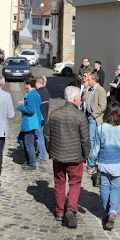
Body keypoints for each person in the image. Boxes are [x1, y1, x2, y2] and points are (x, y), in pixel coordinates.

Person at [44, 86, 90, 229]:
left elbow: (47, 136)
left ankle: (59, 212)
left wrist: (50, 150)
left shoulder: (54, 114)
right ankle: (71, 209)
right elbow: (85, 140)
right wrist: (86, 155)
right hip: (75, 157)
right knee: (75, 183)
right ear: (75, 99)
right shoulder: (80, 116)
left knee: (59, 183)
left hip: (58, 155)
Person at [88, 101, 120, 231]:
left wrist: (90, 164)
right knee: (116, 188)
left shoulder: (101, 128)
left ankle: (107, 211)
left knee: (104, 187)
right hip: (118, 164)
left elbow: (95, 149)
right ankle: (113, 211)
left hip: (104, 163)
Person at [17, 75, 43, 171]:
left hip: (30, 122)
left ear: (27, 84)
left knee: (28, 144)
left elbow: (31, 110)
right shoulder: (35, 93)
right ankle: (29, 160)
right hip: (33, 121)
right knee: (21, 140)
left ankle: (31, 164)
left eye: (24, 83)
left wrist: (20, 108)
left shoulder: (32, 94)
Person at [86, 72, 107, 173]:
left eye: (89, 79)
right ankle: (91, 159)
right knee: (91, 140)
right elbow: (84, 100)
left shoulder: (100, 90)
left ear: (94, 80)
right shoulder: (90, 90)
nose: (87, 81)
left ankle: (92, 161)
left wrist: (93, 115)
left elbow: (103, 106)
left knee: (94, 140)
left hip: (95, 119)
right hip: (89, 118)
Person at [35, 76, 50, 163]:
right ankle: (41, 153)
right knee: (40, 136)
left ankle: (42, 155)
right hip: (44, 117)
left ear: (37, 83)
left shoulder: (37, 93)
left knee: (39, 137)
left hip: (38, 118)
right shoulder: (45, 92)